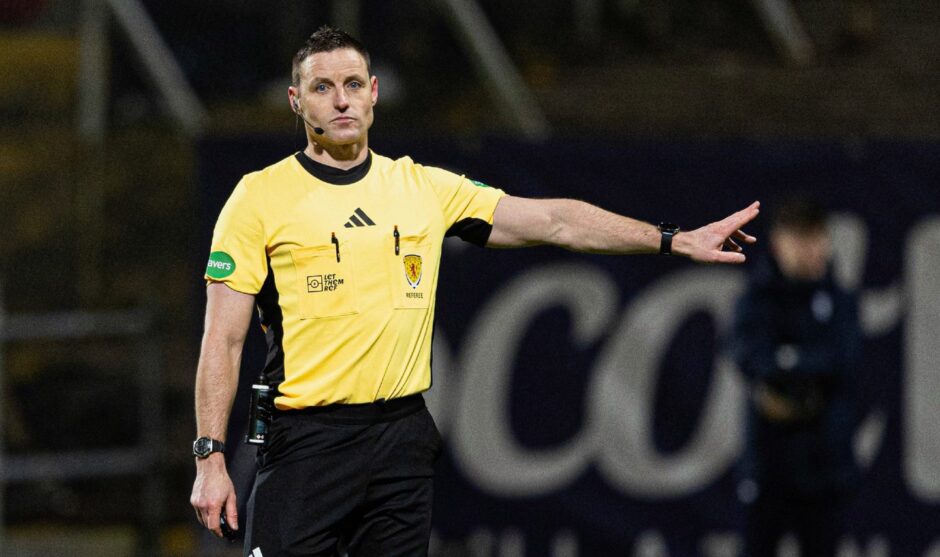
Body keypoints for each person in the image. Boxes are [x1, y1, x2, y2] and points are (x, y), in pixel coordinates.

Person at [190, 25, 760, 557]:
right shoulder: (258, 198)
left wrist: (672, 240)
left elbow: (557, 221)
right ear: (297, 101)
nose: (340, 100)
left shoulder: (422, 188)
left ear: (374, 94)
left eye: (352, 84)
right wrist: (210, 457)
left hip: (399, 441)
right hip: (307, 444)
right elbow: (224, 340)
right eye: (322, 87)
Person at [732, 197, 862, 557]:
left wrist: (786, 362)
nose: (814, 248)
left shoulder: (840, 300)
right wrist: (800, 365)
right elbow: (747, 356)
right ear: (779, 242)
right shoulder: (757, 299)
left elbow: (842, 361)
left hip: (825, 465)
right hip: (768, 463)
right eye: (803, 238)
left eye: (819, 237)